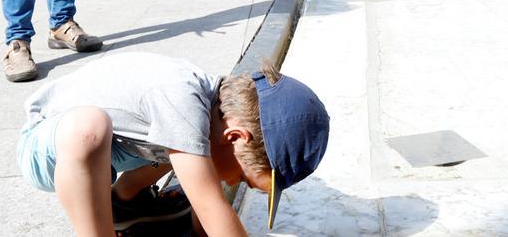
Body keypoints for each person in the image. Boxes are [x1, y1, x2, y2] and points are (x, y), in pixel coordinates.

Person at [17, 51, 330, 236]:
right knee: (89, 128)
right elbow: (211, 207)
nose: (234, 183)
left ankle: (125, 199)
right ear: (235, 136)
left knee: (191, 150)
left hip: (116, 151)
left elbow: (206, 201)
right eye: (244, 179)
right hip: (49, 146)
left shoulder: (212, 109)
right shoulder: (183, 98)